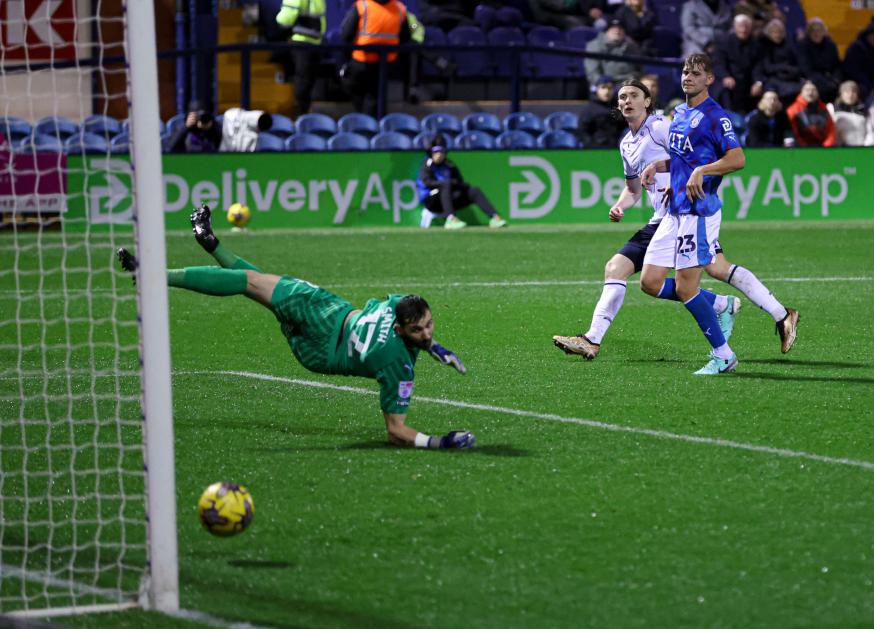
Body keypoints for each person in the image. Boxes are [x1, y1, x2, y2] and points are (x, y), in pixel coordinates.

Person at [116, 205, 476, 450]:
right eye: (420, 328)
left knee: (254, 283)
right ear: (399, 325)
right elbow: (414, 335)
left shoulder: (397, 363)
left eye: (428, 328)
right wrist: (435, 347)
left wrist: (439, 442)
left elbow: (396, 432)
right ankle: (210, 244)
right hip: (330, 320)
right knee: (258, 283)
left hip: (324, 338)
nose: (426, 333)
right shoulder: (400, 307)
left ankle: (152, 274)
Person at [553, 73, 799, 366]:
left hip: (686, 214)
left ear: (647, 101)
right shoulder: (626, 144)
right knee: (640, 276)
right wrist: (620, 206)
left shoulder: (661, 127)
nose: (627, 101)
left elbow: (694, 156)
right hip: (662, 219)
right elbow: (633, 190)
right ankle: (728, 305)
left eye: (634, 96)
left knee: (713, 269)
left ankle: (773, 315)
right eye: (622, 97)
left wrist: (678, 181)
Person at [638, 55, 799, 372]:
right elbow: (686, 158)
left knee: (687, 287)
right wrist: (660, 166)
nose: (688, 77)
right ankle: (747, 308)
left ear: (709, 79)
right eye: (685, 71)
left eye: (696, 73)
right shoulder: (679, 112)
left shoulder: (716, 117)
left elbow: (737, 159)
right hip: (676, 208)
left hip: (698, 211)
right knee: (650, 281)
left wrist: (702, 171)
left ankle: (723, 355)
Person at [416, 135, 508, 229]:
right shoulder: (426, 164)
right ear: (431, 152)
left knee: (474, 191)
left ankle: (495, 217)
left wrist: (460, 185)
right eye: (436, 152)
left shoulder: (449, 165)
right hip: (432, 201)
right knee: (446, 185)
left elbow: (459, 181)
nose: (439, 155)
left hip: (449, 199)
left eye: (441, 152)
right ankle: (451, 219)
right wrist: (448, 183)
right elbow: (428, 182)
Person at [340, 0, 412, 116]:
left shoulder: (362, 5)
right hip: (386, 64)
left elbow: (346, 34)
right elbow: (406, 36)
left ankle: (364, 119)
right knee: (374, 97)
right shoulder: (400, 8)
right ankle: (369, 118)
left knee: (353, 85)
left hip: (362, 61)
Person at [275, 0, 327, 117]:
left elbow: (284, 19)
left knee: (302, 79)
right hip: (315, 42)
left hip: (300, 41)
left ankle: (299, 114)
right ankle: (302, 112)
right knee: (307, 80)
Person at [713, 13, 762, 114]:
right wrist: (725, 76)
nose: (743, 30)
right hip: (728, 80)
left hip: (748, 82)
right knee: (724, 91)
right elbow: (718, 63)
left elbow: (758, 66)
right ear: (735, 27)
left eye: (746, 27)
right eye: (740, 26)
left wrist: (757, 82)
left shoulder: (756, 45)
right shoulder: (724, 42)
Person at [841, 20, 874, 101]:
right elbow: (852, 70)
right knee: (862, 89)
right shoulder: (856, 48)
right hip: (859, 81)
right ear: (867, 36)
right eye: (873, 35)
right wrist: (870, 84)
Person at [753, 18, 803, 104]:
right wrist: (784, 67)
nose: (777, 35)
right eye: (774, 32)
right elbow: (768, 67)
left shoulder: (789, 45)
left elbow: (797, 65)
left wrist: (788, 69)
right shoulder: (764, 47)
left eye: (780, 32)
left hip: (790, 78)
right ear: (769, 33)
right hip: (772, 79)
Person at [584, 20, 644, 89]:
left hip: (629, 84)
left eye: (620, 29)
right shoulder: (595, 45)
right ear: (606, 31)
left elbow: (639, 69)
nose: (617, 31)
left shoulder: (632, 46)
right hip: (606, 85)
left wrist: (635, 79)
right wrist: (602, 82)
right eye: (613, 28)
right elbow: (593, 73)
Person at [796, 17, 841, 104]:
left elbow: (837, 65)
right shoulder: (802, 46)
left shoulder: (831, 45)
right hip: (812, 79)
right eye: (813, 30)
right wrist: (826, 82)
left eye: (819, 30)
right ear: (809, 32)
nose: (816, 33)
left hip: (830, 78)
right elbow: (806, 69)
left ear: (824, 32)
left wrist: (836, 79)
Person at [578, 75, 625, 148]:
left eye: (610, 88)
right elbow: (582, 132)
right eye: (603, 87)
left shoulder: (619, 107)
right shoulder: (589, 109)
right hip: (595, 149)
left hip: (616, 148)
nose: (606, 91)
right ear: (596, 89)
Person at [786, 81, 835, 147]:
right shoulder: (792, 110)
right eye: (807, 90)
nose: (810, 93)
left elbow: (831, 131)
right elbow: (794, 134)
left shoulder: (824, 108)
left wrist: (825, 147)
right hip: (802, 148)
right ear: (801, 92)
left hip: (823, 148)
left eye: (813, 90)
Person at [828, 80, 868, 147]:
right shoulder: (832, 109)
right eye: (847, 92)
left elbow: (869, 132)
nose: (850, 95)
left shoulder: (863, 110)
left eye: (854, 92)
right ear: (841, 94)